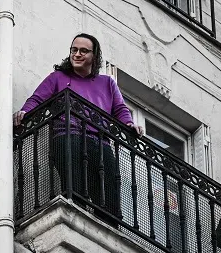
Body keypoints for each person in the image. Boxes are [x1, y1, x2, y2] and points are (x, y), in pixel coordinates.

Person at [14, 33, 142, 220]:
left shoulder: (107, 83)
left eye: (83, 51)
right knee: (76, 191)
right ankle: (77, 221)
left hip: (101, 142)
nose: (77, 54)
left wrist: (130, 124)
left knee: (109, 198)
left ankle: (107, 231)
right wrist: (25, 112)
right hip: (68, 136)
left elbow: (120, 110)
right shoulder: (57, 77)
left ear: (94, 56)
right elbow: (37, 99)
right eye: (74, 50)